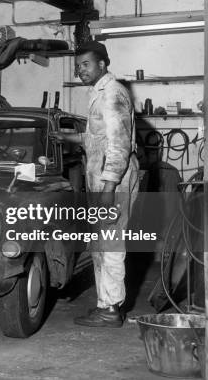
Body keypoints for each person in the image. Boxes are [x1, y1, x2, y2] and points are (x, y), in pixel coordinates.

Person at [51, 41, 139, 327]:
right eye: (78, 66)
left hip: (114, 182)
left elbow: (118, 145)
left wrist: (108, 190)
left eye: (86, 64)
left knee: (110, 244)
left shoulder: (112, 94)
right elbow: (97, 140)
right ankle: (106, 304)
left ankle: (111, 309)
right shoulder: (99, 93)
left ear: (103, 64)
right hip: (104, 179)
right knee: (101, 244)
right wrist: (68, 138)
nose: (80, 70)